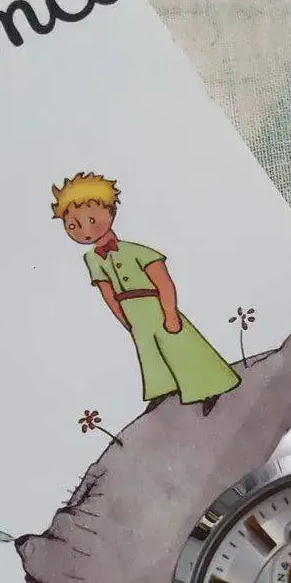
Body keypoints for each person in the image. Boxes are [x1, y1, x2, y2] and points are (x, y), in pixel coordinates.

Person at [51, 172, 240, 414]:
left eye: (91, 219)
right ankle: (163, 389)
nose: (85, 231)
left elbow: (164, 282)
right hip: (132, 313)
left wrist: (170, 312)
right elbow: (107, 293)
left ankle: (210, 388)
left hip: (155, 304)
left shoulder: (137, 251)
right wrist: (125, 321)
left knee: (180, 344)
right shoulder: (92, 259)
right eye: (73, 226)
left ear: (110, 212)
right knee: (149, 352)